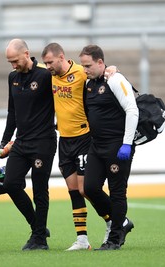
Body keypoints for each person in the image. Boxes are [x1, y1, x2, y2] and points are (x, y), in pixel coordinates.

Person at [41, 43, 119, 251]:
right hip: (64, 140)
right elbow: (32, 68)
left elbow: (102, 74)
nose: (47, 66)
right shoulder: (48, 74)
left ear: (61, 57)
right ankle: (82, 240)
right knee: (74, 191)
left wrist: (112, 68)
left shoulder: (80, 73)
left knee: (86, 189)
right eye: (45, 62)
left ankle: (115, 221)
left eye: (50, 62)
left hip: (84, 138)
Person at [79, 44, 138, 250]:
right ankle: (121, 221)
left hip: (116, 146)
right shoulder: (89, 84)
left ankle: (114, 239)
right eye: (82, 66)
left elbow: (132, 110)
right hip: (97, 146)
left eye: (88, 65)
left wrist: (127, 144)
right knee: (90, 188)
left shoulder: (115, 80)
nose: (85, 70)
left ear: (100, 63)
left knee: (117, 192)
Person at [0, 39, 57, 251]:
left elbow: (70, 79)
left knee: (39, 190)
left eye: (15, 60)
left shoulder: (45, 75)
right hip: (21, 143)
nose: (13, 65)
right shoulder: (12, 77)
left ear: (26, 54)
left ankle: (40, 240)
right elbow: (11, 112)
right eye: (9, 62)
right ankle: (38, 227)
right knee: (10, 184)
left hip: (43, 142)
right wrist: (4, 142)